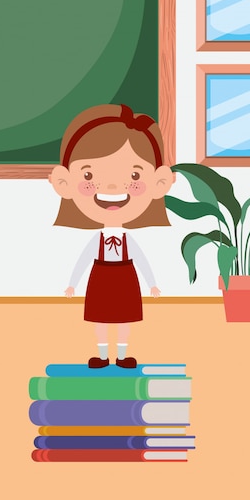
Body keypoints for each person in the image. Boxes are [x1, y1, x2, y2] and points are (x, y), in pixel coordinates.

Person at [49, 104, 174, 368]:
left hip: (124, 276)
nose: (114, 187)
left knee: (125, 319)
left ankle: (123, 355)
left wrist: (152, 284)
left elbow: (141, 261)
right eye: (89, 174)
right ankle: (103, 355)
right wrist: (73, 284)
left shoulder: (129, 240)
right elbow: (83, 260)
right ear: (64, 182)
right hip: (102, 276)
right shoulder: (97, 240)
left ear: (159, 182)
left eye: (134, 174)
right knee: (101, 319)